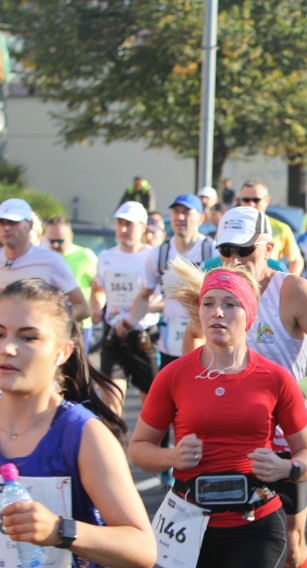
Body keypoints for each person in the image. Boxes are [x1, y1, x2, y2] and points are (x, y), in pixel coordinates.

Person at [183, 207, 307, 568]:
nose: (234, 260)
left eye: (245, 251)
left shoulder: (291, 289)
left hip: (281, 438)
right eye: (226, 250)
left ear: (270, 247)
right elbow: (191, 351)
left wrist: (295, 392)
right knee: (217, 541)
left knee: (292, 547)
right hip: (223, 437)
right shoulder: (213, 291)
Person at [129, 263, 307, 568]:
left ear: (249, 316)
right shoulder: (173, 375)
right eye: (209, 303)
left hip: (256, 523)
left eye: (230, 304)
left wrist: (288, 469)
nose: (217, 312)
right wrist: (172, 458)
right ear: (200, 313)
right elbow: (138, 448)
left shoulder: (276, 378)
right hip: (187, 523)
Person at [0, 278, 156, 567]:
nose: (8, 348)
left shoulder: (82, 434)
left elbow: (142, 548)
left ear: (63, 351)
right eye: (0, 333)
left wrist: (60, 530)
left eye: (28, 337)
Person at [124, 194, 215, 370]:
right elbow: (145, 294)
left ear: (201, 218)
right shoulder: (159, 253)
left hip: (204, 338)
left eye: (186, 212)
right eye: (176, 212)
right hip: (170, 340)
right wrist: (128, 323)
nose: (180, 217)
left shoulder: (211, 251)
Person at [90, 202, 161, 415]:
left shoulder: (153, 255)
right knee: (110, 399)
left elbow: (165, 300)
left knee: (151, 402)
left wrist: (140, 312)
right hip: (114, 337)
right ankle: (115, 446)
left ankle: (155, 445)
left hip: (144, 338)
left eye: (129, 224)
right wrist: (95, 308)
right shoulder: (107, 256)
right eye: (120, 223)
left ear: (142, 226)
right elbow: (97, 288)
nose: (123, 229)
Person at [0, 198, 90, 322]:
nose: (6, 228)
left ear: (29, 225)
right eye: (2, 223)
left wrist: (48, 323)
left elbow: (82, 308)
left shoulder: (51, 261)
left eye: (12, 222)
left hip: (36, 340)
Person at [44, 216, 99, 351]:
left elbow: (98, 286)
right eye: (51, 241)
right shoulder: (43, 257)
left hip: (78, 324)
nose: (55, 245)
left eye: (60, 240)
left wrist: (96, 307)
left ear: (71, 237)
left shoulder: (85, 256)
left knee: (77, 369)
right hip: (49, 324)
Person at [239, 180, 305, 276]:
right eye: (246, 200)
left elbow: (296, 261)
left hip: (267, 285)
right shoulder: (232, 226)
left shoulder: (281, 229)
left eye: (256, 200)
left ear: (267, 200)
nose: (251, 204)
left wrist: (285, 285)